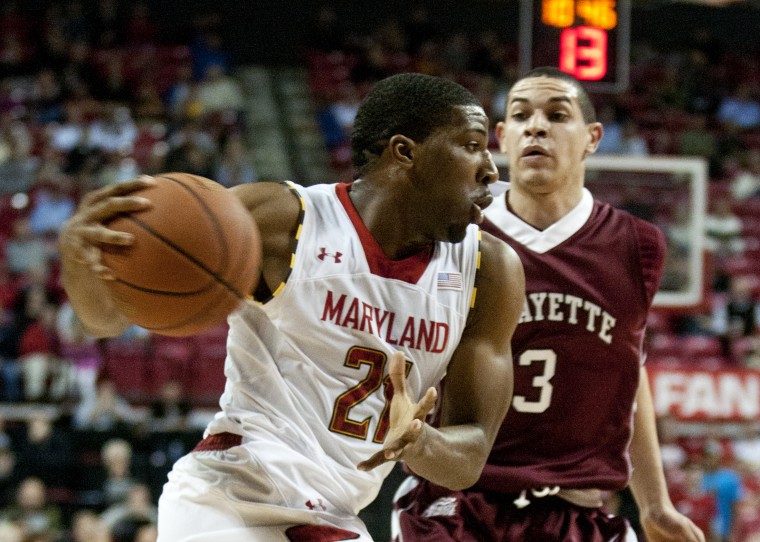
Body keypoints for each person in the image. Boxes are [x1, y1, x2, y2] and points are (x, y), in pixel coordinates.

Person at [57, 72, 525, 541]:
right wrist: (80, 261)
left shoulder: (489, 272)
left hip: (336, 517)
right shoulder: (286, 221)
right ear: (404, 152)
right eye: (472, 145)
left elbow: (468, 459)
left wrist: (419, 441)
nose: (490, 169)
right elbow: (105, 320)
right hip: (233, 497)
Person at [392, 67, 705, 542]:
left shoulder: (637, 245)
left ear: (592, 138)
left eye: (556, 115)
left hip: (575, 510)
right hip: (454, 507)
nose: (536, 127)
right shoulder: (455, 234)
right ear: (501, 137)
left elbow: (627, 371)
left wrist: (655, 503)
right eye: (521, 116)